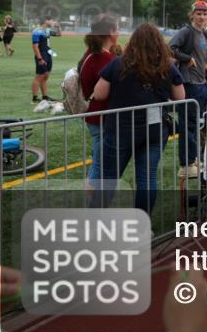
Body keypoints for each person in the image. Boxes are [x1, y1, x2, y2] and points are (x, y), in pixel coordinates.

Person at [92, 23, 185, 213]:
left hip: (121, 128)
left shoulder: (118, 63)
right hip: (154, 128)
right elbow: (180, 96)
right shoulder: (167, 66)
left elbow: (99, 94)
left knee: (109, 177)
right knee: (147, 178)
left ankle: (95, 219)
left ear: (133, 41)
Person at [168, 0, 207, 179]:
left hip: (202, 83)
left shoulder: (205, 32)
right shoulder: (186, 31)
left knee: (199, 124)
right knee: (188, 125)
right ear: (192, 14)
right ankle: (186, 164)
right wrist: (186, 58)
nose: (201, 17)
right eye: (198, 13)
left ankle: (194, 159)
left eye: (205, 14)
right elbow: (170, 48)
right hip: (189, 83)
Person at [79, 14, 121, 183]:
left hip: (95, 115)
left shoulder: (91, 53)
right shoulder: (106, 59)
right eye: (117, 29)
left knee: (98, 160)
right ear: (110, 33)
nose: (119, 33)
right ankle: (93, 195)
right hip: (102, 117)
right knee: (101, 164)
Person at [31, 16, 55, 103]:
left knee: (45, 76)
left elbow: (59, 34)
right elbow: (35, 46)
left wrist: (58, 27)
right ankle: (34, 98)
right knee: (39, 76)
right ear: (46, 21)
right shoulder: (37, 31)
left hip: (48, 54)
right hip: (41, 55)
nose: (53, 22)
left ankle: (45, 97)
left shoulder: (47, 30)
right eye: (51, 20)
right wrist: (39, 59)